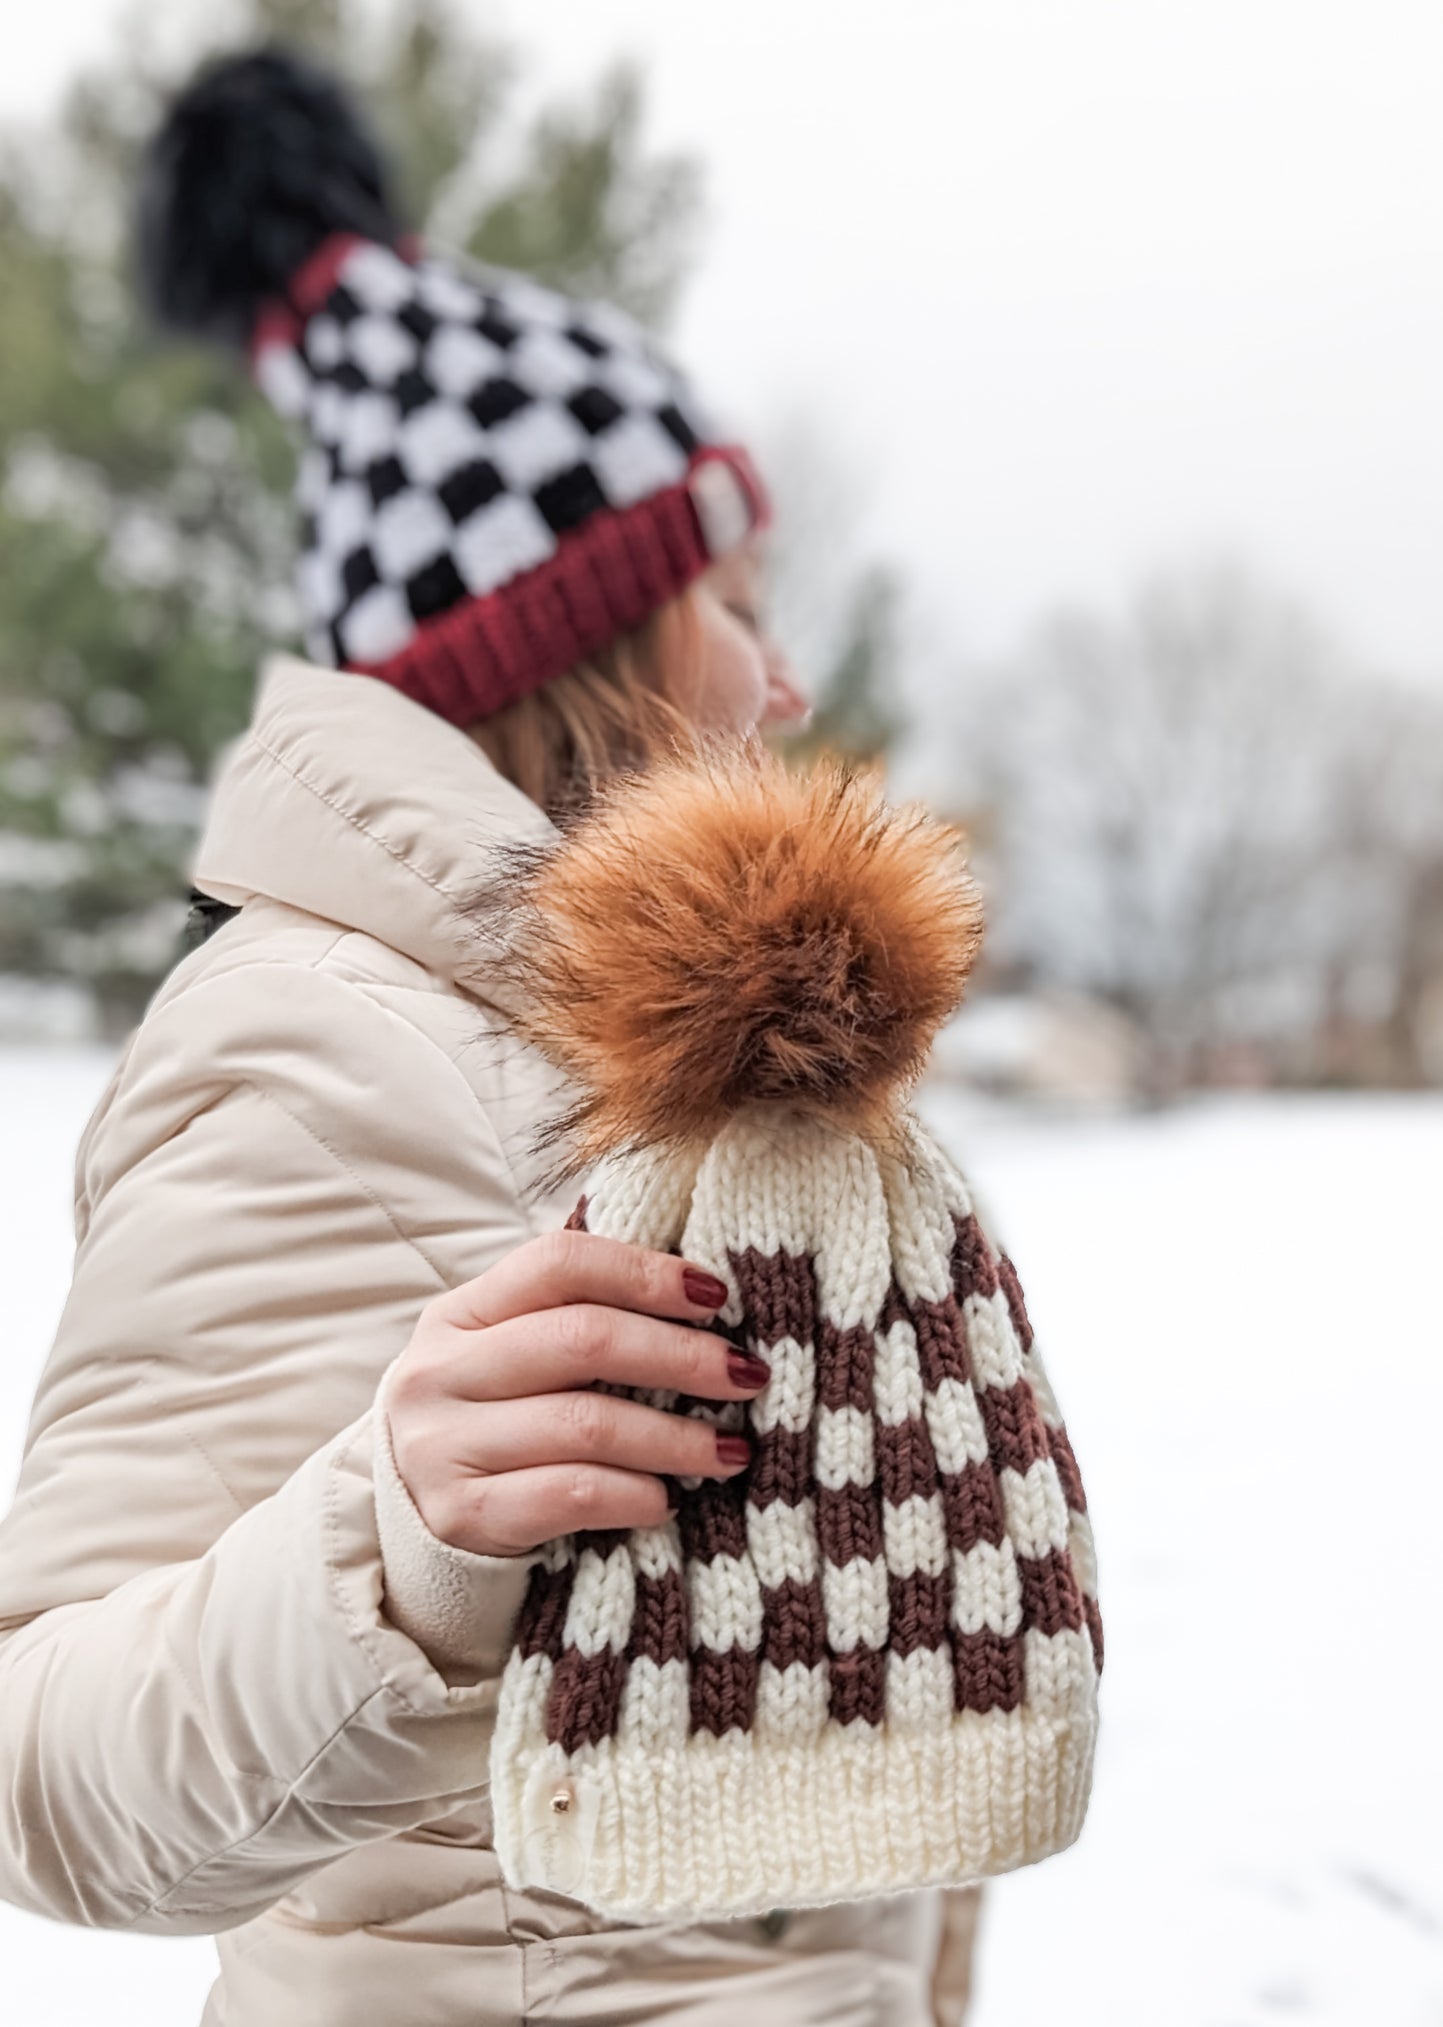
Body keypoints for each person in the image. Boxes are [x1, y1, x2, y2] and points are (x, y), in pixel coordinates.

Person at [0, 47, 983, 2026]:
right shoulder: (303, 1045)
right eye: (733, 597)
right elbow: (47, 1780)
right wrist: (394, 1531)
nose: (786, 681)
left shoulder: (684, 1067)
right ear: (580, 635)